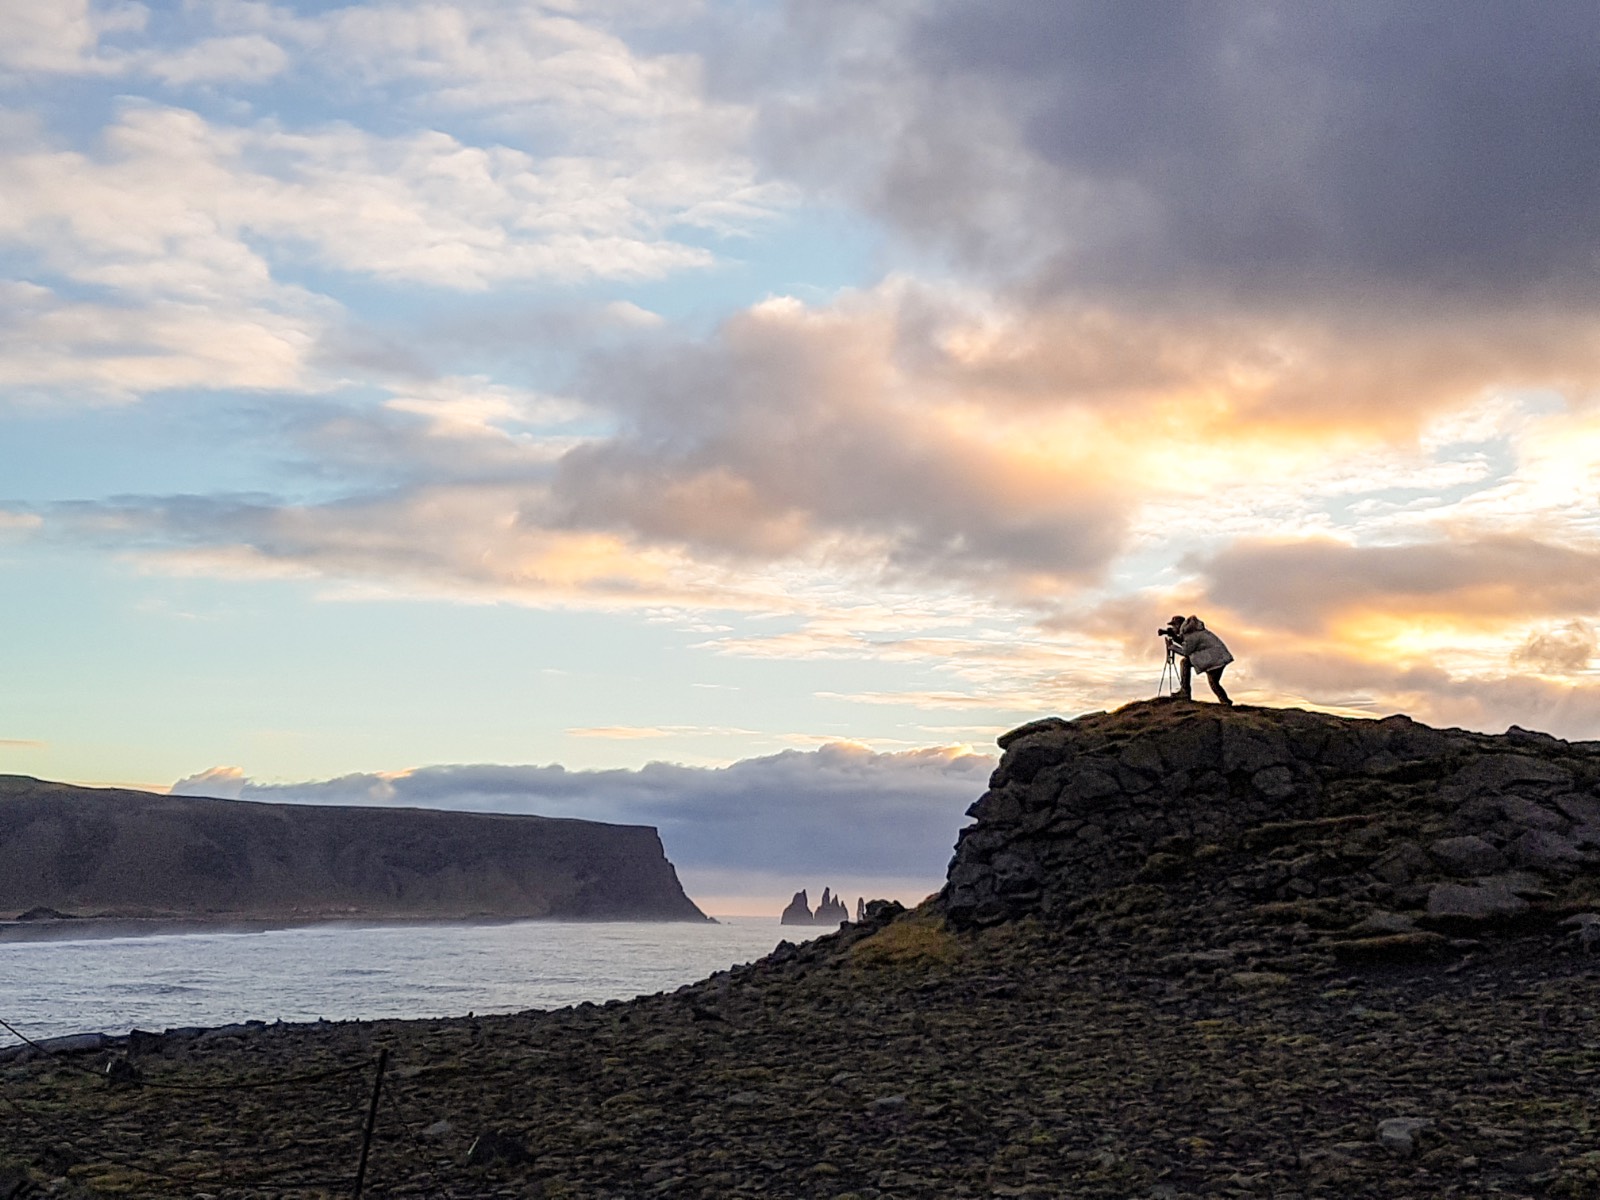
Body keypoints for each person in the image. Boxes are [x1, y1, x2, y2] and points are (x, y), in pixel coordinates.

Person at [1163, 614, 1234, 705]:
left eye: (1174, 626)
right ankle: (1225, 702)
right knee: (1214, 683)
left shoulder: (1191, 633)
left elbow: (1186, 651)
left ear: (1179, 625)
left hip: (1215, 658)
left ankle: (1185, 692)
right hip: (1217, 658)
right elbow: (1188, 645)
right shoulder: (1191, 631)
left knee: (1185, 662)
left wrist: (1172, 647)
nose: (1173, 628)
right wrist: (1175, 638)